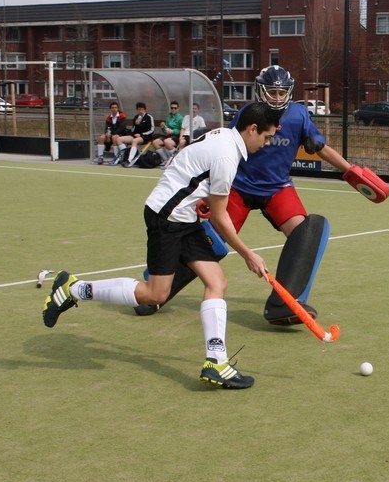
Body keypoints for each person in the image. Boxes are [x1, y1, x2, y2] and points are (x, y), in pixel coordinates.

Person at [40, 102, 280, 389]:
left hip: (184, 216)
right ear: (252, 129)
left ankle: (217, 362)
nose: (267, 144)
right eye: (266, 137)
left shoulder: (224, 136)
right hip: (165, 217)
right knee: (155, 294)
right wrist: (248, 254)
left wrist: (197, 197)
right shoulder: (227, 156)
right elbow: (219, 217)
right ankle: (73, 288)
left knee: (217, 281)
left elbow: (192, 170)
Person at [135, 65, 389, 325]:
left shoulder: (299, 115)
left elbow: (321, 148)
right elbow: (225, 148)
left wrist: (350, 172)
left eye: (281, 92)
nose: (277, 98)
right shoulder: (250, 113)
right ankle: (154, 292)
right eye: (272, 92)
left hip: (277, 188)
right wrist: (209, 195)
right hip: (239, 186)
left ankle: (286, 305)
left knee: (306, 232)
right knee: (211, 240)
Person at [119, 102, 155, 166]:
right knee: (119, 139)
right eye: (139, 109)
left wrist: (141, 134)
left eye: (142, 109)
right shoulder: (136, 117)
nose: (140, 111)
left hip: (145, 136)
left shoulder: (149, 117)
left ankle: (129, 160)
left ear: (145, 109)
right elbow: (133, 130)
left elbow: (152, 130)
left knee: (134, 141)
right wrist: (136, 124)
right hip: (135, 136)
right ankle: (125, 155)